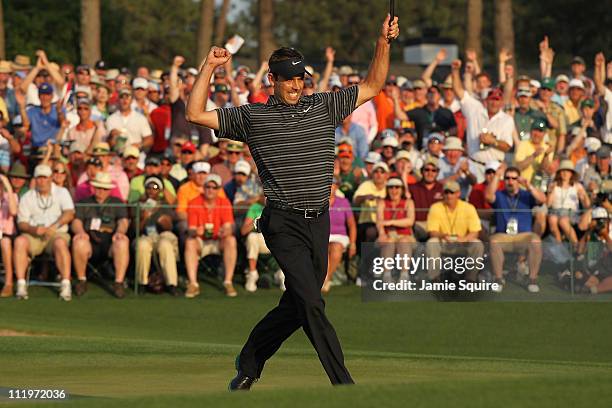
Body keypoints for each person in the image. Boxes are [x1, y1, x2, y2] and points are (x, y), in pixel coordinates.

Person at [186, 14, 399, 389]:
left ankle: (250, 360)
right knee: (313, 305)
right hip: (282, 222)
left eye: (301, 78)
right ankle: (344, 385)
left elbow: (373, 84)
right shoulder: (252, 117)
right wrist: (208, 67)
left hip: (319, 221)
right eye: (289, 79)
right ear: (273, 79)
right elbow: (195, 113)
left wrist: (383, 42)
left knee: (299, 303)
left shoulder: (323, 106)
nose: (297, 85)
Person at [13, 165, 75, 301]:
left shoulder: (62, 192)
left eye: (45, 178)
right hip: (35, 234)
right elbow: (21, 223)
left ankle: (65, 284)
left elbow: (70, 213)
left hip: (56, 233)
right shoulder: (28, 196)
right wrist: (33, 229)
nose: (42, 181)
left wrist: (55, 226)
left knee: (60, 243)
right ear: (35, 179)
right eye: (39, 178)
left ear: (51, 178)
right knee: (19, 242)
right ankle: (21, 284)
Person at [486, 165, 547, 293]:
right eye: (507, 178)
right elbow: (488, 196)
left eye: (514, 178)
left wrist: (528, 185)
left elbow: (542, 199)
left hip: (523, 236)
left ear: (518, 180)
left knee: (535, 241)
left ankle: (532, 279)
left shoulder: (526, 195)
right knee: (494, 241)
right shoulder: (499, 194)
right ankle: (498, 278)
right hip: (504, 235)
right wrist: (497, 176)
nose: (510, 181)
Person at [71, 172, 130, 298]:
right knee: (79, 242)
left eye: (104, 188)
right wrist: (80, 232)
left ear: (109, 190)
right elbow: (76, 221)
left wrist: (120, 232)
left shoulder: (117, 202)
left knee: (122, 242)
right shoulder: (84, 202)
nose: (101, 191)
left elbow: (123, 221)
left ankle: (118, 282)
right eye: (98, 187)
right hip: (89, 239)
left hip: (110, 240)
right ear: (93, 187)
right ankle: (81, 280)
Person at [183, 174, 237, 298]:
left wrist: (226, 231)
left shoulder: (224, 202)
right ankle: (193, 284)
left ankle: (228, 282)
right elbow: (190, 229)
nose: (210, 190)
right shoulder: (194, 202)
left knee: (231, 240)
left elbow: (229, 226)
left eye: (214, 187)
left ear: (218, 189)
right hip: (200, 241)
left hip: (218, 240)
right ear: (204, 187)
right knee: (190, 241)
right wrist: (196, 232)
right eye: (208, 186)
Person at [425, 180, 484, 281]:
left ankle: (471, 279)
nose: (449, 195)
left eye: (452, 192)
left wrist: (465, 239)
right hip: (444, 241)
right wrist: (443, 235)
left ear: (458, 193)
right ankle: (434, 278)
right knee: (432, 242)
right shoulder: (435, 207)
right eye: (446, 192)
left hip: (462, 243)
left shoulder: (469, 208)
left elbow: (475, 232)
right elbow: (432, 232)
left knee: (477, 244)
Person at [135, 176, 179, 296]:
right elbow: (135, 229)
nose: (151, 190)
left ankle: (172, 284)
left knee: (165, 244)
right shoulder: (139, 205)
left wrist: (163, 221)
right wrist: (144, 218)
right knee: (142, 245)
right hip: (146, 235)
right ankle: (142, 283)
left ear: (159, 190)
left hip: (162, 235)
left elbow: (169, 227)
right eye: (149, 187)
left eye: (155, 188)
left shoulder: (164, 205)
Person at [376, 177, 416, 282]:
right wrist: (381, 233)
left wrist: (390, 222)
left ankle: (404, 275)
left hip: (405, 234)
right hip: (388, 234)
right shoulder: (382, 202)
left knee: (404, 241)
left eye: (397, 187)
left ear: (402, 189)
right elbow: (379, 221)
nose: (394, 190)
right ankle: (387, 276)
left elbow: (410, 221)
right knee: (388, 242)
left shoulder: (408, 202)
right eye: (391, 187)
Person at [322, 177, 356, 293]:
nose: (330, 187)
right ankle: (324, 279)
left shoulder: (343, 202)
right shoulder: (319, 202)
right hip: (322, 235)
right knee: (323, 248)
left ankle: (326, 279)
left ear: (337, 187)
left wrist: (352, 244)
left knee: (335, 247)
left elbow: (351, 225)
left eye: (333, 184)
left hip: (340, 236)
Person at [547, 160, 590, 250]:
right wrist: (550, 192)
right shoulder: (554, 185)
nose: (565, 173)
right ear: (559, 173)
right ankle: (559, 245)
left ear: (571, 173)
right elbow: (548, 204)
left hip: (571, 213)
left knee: (563, 220)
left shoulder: (577, 186)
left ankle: (576, 246)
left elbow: (587, 204)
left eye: (567, 171)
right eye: (563, 171)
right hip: (555, 211)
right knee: (552, 219)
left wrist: (584, 195)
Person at [0, 174, 18, 297]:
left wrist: (7, 185)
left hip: (8, 235)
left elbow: (14, 211)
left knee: (5, 242)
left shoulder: (11, 197)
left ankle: (9, 283)